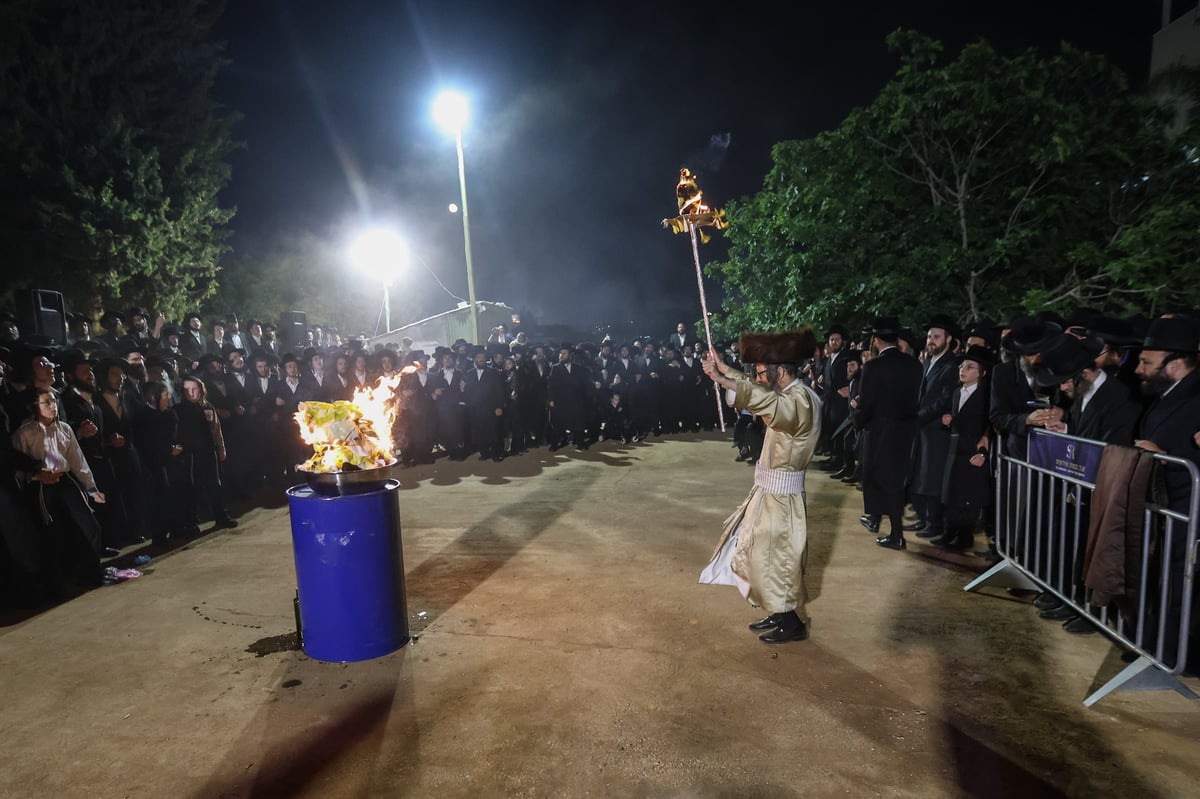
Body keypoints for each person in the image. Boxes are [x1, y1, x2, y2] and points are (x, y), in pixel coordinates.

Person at [700, 329, 822, 644]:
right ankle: (776, 611)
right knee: (758, 554)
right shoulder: (789, 395)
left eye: (761, 370)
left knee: (776, 560)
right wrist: (725, 370)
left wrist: (723, 381)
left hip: (783, 499)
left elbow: (764, 399)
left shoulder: (801, 402)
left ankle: (791, 623)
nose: (758, 376)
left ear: (780, 371)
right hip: (769, 492)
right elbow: (759, 390)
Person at [12, 387, 107, 597]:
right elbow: (17, 470)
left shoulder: (64, 429)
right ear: (33, 407)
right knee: (52, 534)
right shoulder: (24, 433)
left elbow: (77, 462)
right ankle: (55, 585)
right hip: (40, 486)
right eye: (46, 402)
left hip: (66, 481)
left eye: (54, 401)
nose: (52, 406)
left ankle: (91, 573)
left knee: (90, 526)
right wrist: (37, 476)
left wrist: (92, 489)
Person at [854, 316, 923, 550]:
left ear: (876, 341)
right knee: (895, 480)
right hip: (907, 430)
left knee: (878, 478)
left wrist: (857, 422)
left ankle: (895, 534)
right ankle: (883, 524)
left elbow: (866, 403)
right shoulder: (914, 366)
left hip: (880, 430)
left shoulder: (873, 367)